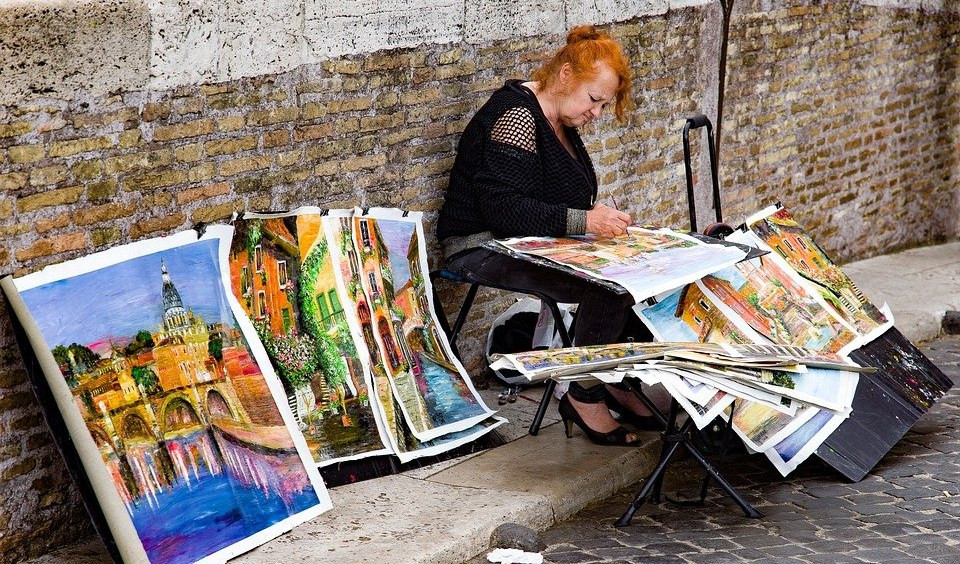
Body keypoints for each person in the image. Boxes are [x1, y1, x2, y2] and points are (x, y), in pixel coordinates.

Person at [436, 25, 655, 446]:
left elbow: (563, 199)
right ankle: (583, 394)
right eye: (594, 101)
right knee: (605, 287)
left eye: (603, 106)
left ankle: (610, 376)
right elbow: (504, 210)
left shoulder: (559, 120)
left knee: (638, 271)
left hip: (528, 241)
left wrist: (598, 226)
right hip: (481, 245)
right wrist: (585, 223)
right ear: (566, 74)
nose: (595, 114)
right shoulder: (517, 115)